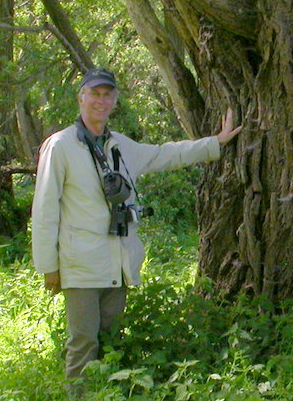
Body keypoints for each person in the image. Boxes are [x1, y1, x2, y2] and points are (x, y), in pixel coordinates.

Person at [32, 68, 242, 383]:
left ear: (115, 100)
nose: (101, 101)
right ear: (81, 98)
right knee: (83, 341)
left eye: (108, 95)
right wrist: (49, 266)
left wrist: (216, 143)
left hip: (118, 262)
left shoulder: (120, 145)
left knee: (111, 338)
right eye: (95, 94)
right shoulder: (61, 145)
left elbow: (164, 155)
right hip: (80, 264)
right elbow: (45, 209)